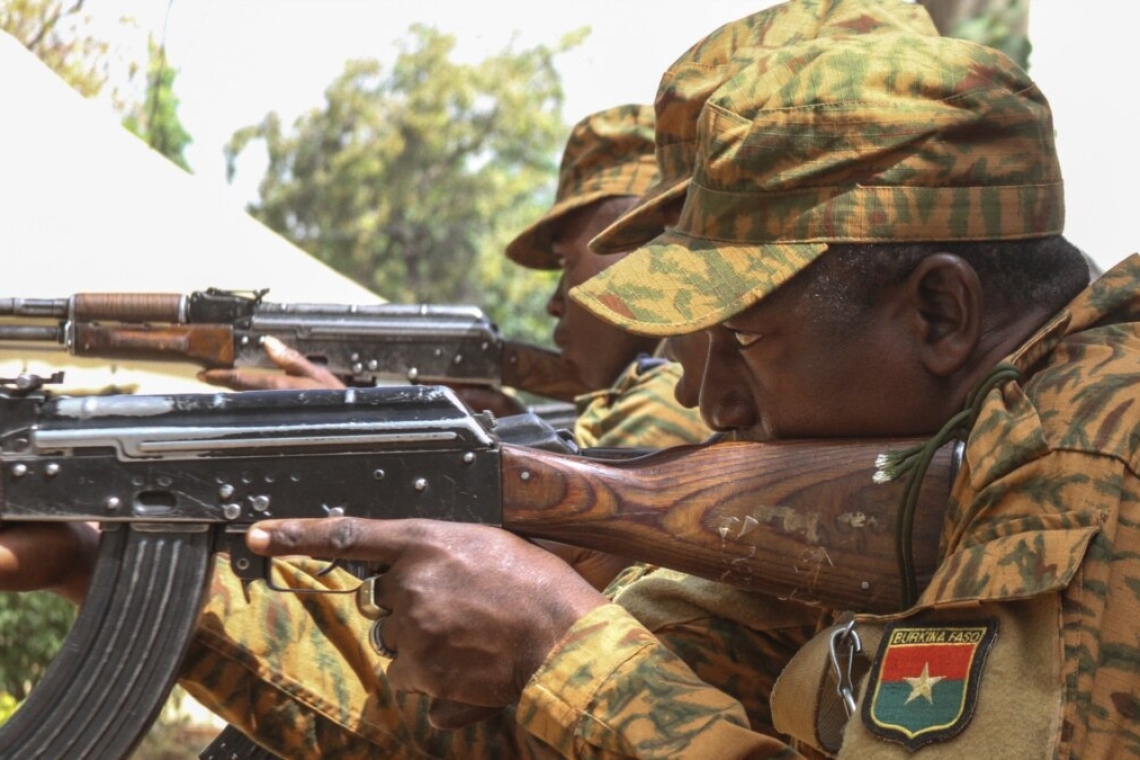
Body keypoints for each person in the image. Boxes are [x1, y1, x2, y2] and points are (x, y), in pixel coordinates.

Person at [243, 27, 1138, 760]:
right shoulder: (930, 473)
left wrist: (559, 642)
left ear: (942, 313)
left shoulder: (1091, 460)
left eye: (746, 341)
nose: (713, 403)